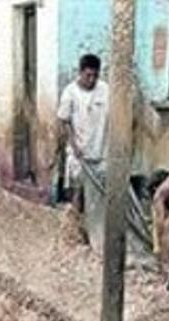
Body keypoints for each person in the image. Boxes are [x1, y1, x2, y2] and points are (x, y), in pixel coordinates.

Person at [56, 54, 109, 217]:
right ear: (80, 73)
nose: (92, 80)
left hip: (100, 153)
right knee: (77, 192)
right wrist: (74, 145)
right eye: (88, 75)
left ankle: (95, 231)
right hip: (79, 154)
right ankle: (76, 229)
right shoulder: (70, 93)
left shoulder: (105, 89)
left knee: (99, 196)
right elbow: (63, 122)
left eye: (95, 75)